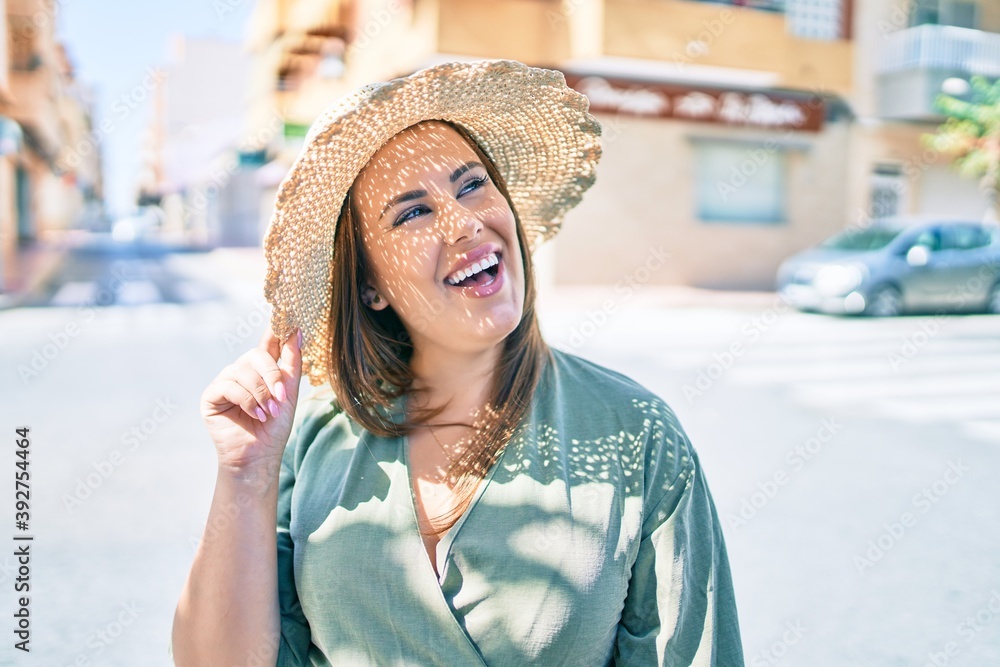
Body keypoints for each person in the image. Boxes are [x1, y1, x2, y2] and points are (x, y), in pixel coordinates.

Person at [171, 59, 744, 666]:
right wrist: (245, 475)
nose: (465, 221)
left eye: (472, 184)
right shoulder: (310, 438)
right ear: (371, 286)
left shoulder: (637, 432)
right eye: (413, 212)